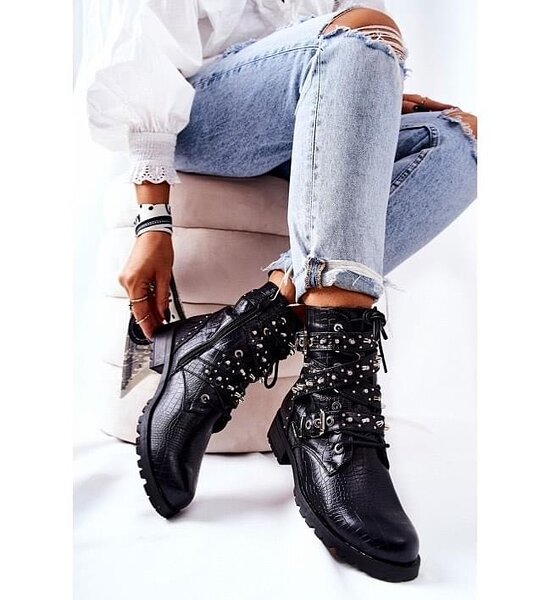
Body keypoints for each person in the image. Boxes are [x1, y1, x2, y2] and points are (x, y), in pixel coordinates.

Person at [86, 0, 477, 583]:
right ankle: (333, 406)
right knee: (365, 31)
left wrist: (367, 90)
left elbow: (340, 51)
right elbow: (140, 53)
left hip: (303, 104)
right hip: (205, 118)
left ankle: (232, 341)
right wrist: (153, 222)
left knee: (463, 140)